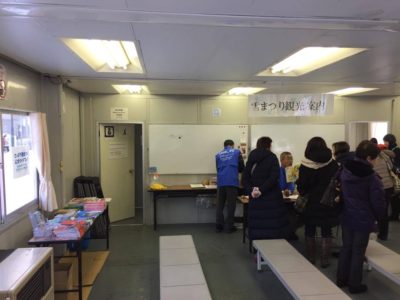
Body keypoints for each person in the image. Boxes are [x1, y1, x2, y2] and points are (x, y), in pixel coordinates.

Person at [336, 140, 385, 294]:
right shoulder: (371, 177)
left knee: (346, 248)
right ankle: (354, 284)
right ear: (369, 158)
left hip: (346, 214)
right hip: (363, 218)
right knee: (358, 251)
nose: (376, 161)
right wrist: (380, 218)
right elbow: (377, 202)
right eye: (375, 158)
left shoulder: (345, 169)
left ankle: (341, 279)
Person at [296, 137, 339, 268]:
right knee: (326, 229)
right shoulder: (332, 164)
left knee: (310, 228)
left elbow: (302, 188)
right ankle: (325, 260)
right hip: (327, 201)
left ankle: (311, 258)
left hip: (311, 202)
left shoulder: (305, 165)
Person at [242, 137, 291, 243]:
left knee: (258, 224)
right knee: (272, 225)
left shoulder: (251, 157)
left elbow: (245, 178)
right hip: (271, 198)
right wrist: (261, 190)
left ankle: (257, 252)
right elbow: (274, 177)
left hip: (255, 200)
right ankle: (272, 252)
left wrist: (252, 190)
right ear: (269, 145)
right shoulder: (272, 157)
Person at [215, 139, 244, 233]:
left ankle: (219, 225)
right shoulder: (237, 152)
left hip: (221, 182)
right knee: (231, 205)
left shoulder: (218, 155)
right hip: (231, 182)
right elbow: (241, 167)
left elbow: (217, 169)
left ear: (224, 146)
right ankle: (229, 227)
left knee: (220, 205)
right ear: (232, 145)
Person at [370, 138, 395, 240]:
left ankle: (376, 231)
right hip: (388, 186)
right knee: (384, 211)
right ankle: (383, 234)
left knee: (376, 210)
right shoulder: (384, 156)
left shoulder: (371, 159)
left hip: (378, 187)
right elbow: (391, 166)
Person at [383, 134, 400, 221]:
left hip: (396, 175)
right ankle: (394, 214)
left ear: (389, 141)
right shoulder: (393, 149)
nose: (384, 143)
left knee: (395, 197)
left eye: (385, 141)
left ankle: (395, 215)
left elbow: (394, 161)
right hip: (395, 175)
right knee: (394, 197)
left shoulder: (395, 150)